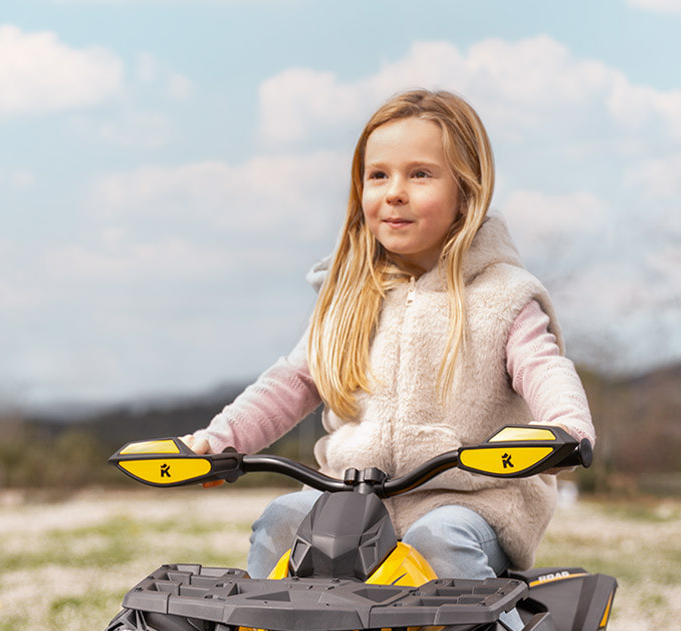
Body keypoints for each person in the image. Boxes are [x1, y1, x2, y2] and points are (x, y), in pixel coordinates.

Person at [183, 88, 594, 582]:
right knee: (281, 521)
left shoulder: (503, 295)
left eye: (420, 174)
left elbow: (545, 368)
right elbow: (291, 382)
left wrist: (565, 429)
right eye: (378, 175)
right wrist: (217, 443)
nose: (394, 191)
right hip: (350, 499)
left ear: (467, 190)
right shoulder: (349, 297)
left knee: (439, 541)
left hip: (471, 501)